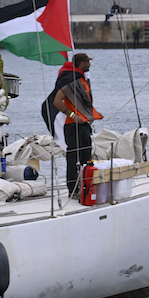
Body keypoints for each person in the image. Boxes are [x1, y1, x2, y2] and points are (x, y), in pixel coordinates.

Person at [51, 53, 101, 196]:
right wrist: (72, 115)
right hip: (72, 126)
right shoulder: (69, 80)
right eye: (87, 62)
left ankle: (86, 187)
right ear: (81, 63)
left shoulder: (82, 80)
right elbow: (57, 101)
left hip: (84, 125)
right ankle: (72, 190)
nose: (90, 64)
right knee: (73, 159)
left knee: (87, 158)